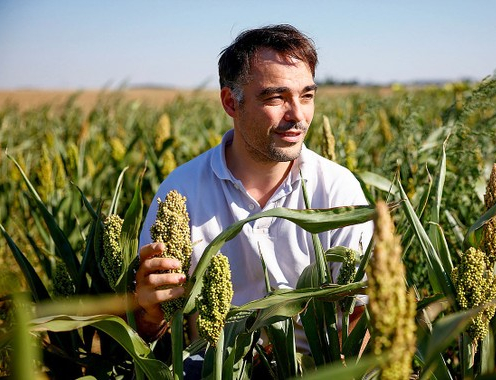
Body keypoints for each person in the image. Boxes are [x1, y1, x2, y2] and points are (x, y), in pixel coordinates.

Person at [133, 24, 373, 376]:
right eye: (276, 98)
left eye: (307, 96)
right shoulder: (181, 192)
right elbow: (151, 331)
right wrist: (150, 310)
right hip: (212, 368)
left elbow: (359, 316)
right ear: (231, 102)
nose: (298, 116)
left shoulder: (338, 190)